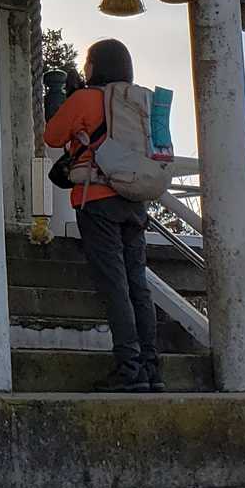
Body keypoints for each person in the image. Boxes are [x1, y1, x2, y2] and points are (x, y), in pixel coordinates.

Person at [41, 38, 161, 393]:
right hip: (135, 200)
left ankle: (128, 369)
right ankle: (151, 369)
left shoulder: (86, 99)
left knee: (115, 286)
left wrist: (67, 100)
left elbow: (52, 136)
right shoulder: (142, 101)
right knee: (138, 285)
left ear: (94, 66)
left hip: (97, 199)